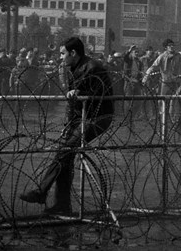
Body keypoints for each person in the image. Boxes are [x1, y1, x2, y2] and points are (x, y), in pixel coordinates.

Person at [19, 37, 114, 215]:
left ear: (73, 53)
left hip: (98, 117)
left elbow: (101, 94)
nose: (61, 57)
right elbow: (74, 102)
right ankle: (62, 205)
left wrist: (81, 93)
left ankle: (41, 192)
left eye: (63, 53)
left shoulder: (94, 67)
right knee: (65, 155)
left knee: (65, 152)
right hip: (81, 118)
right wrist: (69, 124)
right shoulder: (73, 68)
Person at [142, 39, 181, 124]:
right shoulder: (162, 56)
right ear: (165, 47)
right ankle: (162, 118)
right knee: (162, 100)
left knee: (175, 100)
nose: (171, 47)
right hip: (165, 82)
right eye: (169, 45)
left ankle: (174, 119)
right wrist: (146, 76)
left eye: (172, 45)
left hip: (175, 82)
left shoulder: (178, 56)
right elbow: (153, 66)